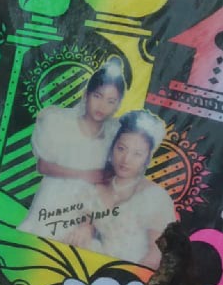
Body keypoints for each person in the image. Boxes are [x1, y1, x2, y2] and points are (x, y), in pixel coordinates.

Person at [19, 59, 126, 239]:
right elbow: (43, 166)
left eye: (110, 101)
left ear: (117, 105)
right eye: (97, 96)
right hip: (53, 198)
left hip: (86, 206)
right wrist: (85, 175)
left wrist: (104, 176)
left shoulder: (114, 134)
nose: (102, 106)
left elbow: (112, 174)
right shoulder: (60, 122)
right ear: (86, 95)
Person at [68, 111, 175, 271]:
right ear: (112, 148)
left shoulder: (155, 197)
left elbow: (157, 253)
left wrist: (128, 276)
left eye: (137, 154)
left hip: (134, 272)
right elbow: (86, 220)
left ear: (147, 158)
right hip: (96, 265)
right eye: (121, 148)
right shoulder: (97, 186)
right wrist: (86, 228)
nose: (126, 159)